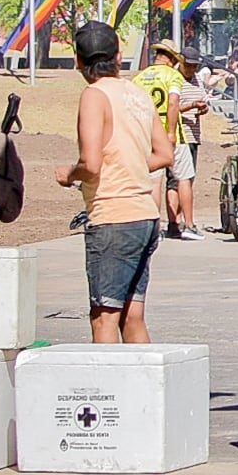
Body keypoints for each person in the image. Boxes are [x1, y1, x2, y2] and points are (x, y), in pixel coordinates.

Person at [59, 20, 173, 345]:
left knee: (104, 319)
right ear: (118, 56)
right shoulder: (137, 94)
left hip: (113, 217)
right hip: (145, 216)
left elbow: (91, 164)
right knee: (133, 317)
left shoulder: (94, 95)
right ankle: (147, 392)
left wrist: (68, 174)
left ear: (78, 61)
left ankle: (108, 392)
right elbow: (164, 153)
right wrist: (130, 165)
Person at [133, 46, 210, 240]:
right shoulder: (172, 76)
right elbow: (173, 103)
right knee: (183, 178)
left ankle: (154, 227)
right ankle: (189, 225)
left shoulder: (140, 77)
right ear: (171, 59)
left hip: (147, 132)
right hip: (171, 132)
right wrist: (170, 132)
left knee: (155, 181)